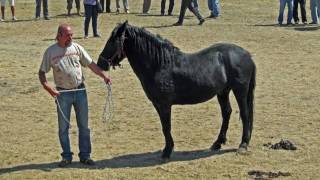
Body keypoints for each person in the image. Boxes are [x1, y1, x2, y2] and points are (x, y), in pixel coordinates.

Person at [38, 24, 111, 167]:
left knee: (84, 126)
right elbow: (42, 73)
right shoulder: (50, 52)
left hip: (80, 92)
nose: (70, 38)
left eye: (71, 35)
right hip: (62, 94)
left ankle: (85, 156)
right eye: (67, 35)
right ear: (59, 35)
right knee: (63, 128)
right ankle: (66, 157)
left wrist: (104, 76)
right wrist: (49, 88)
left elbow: (91, 65)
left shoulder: (77, 48)